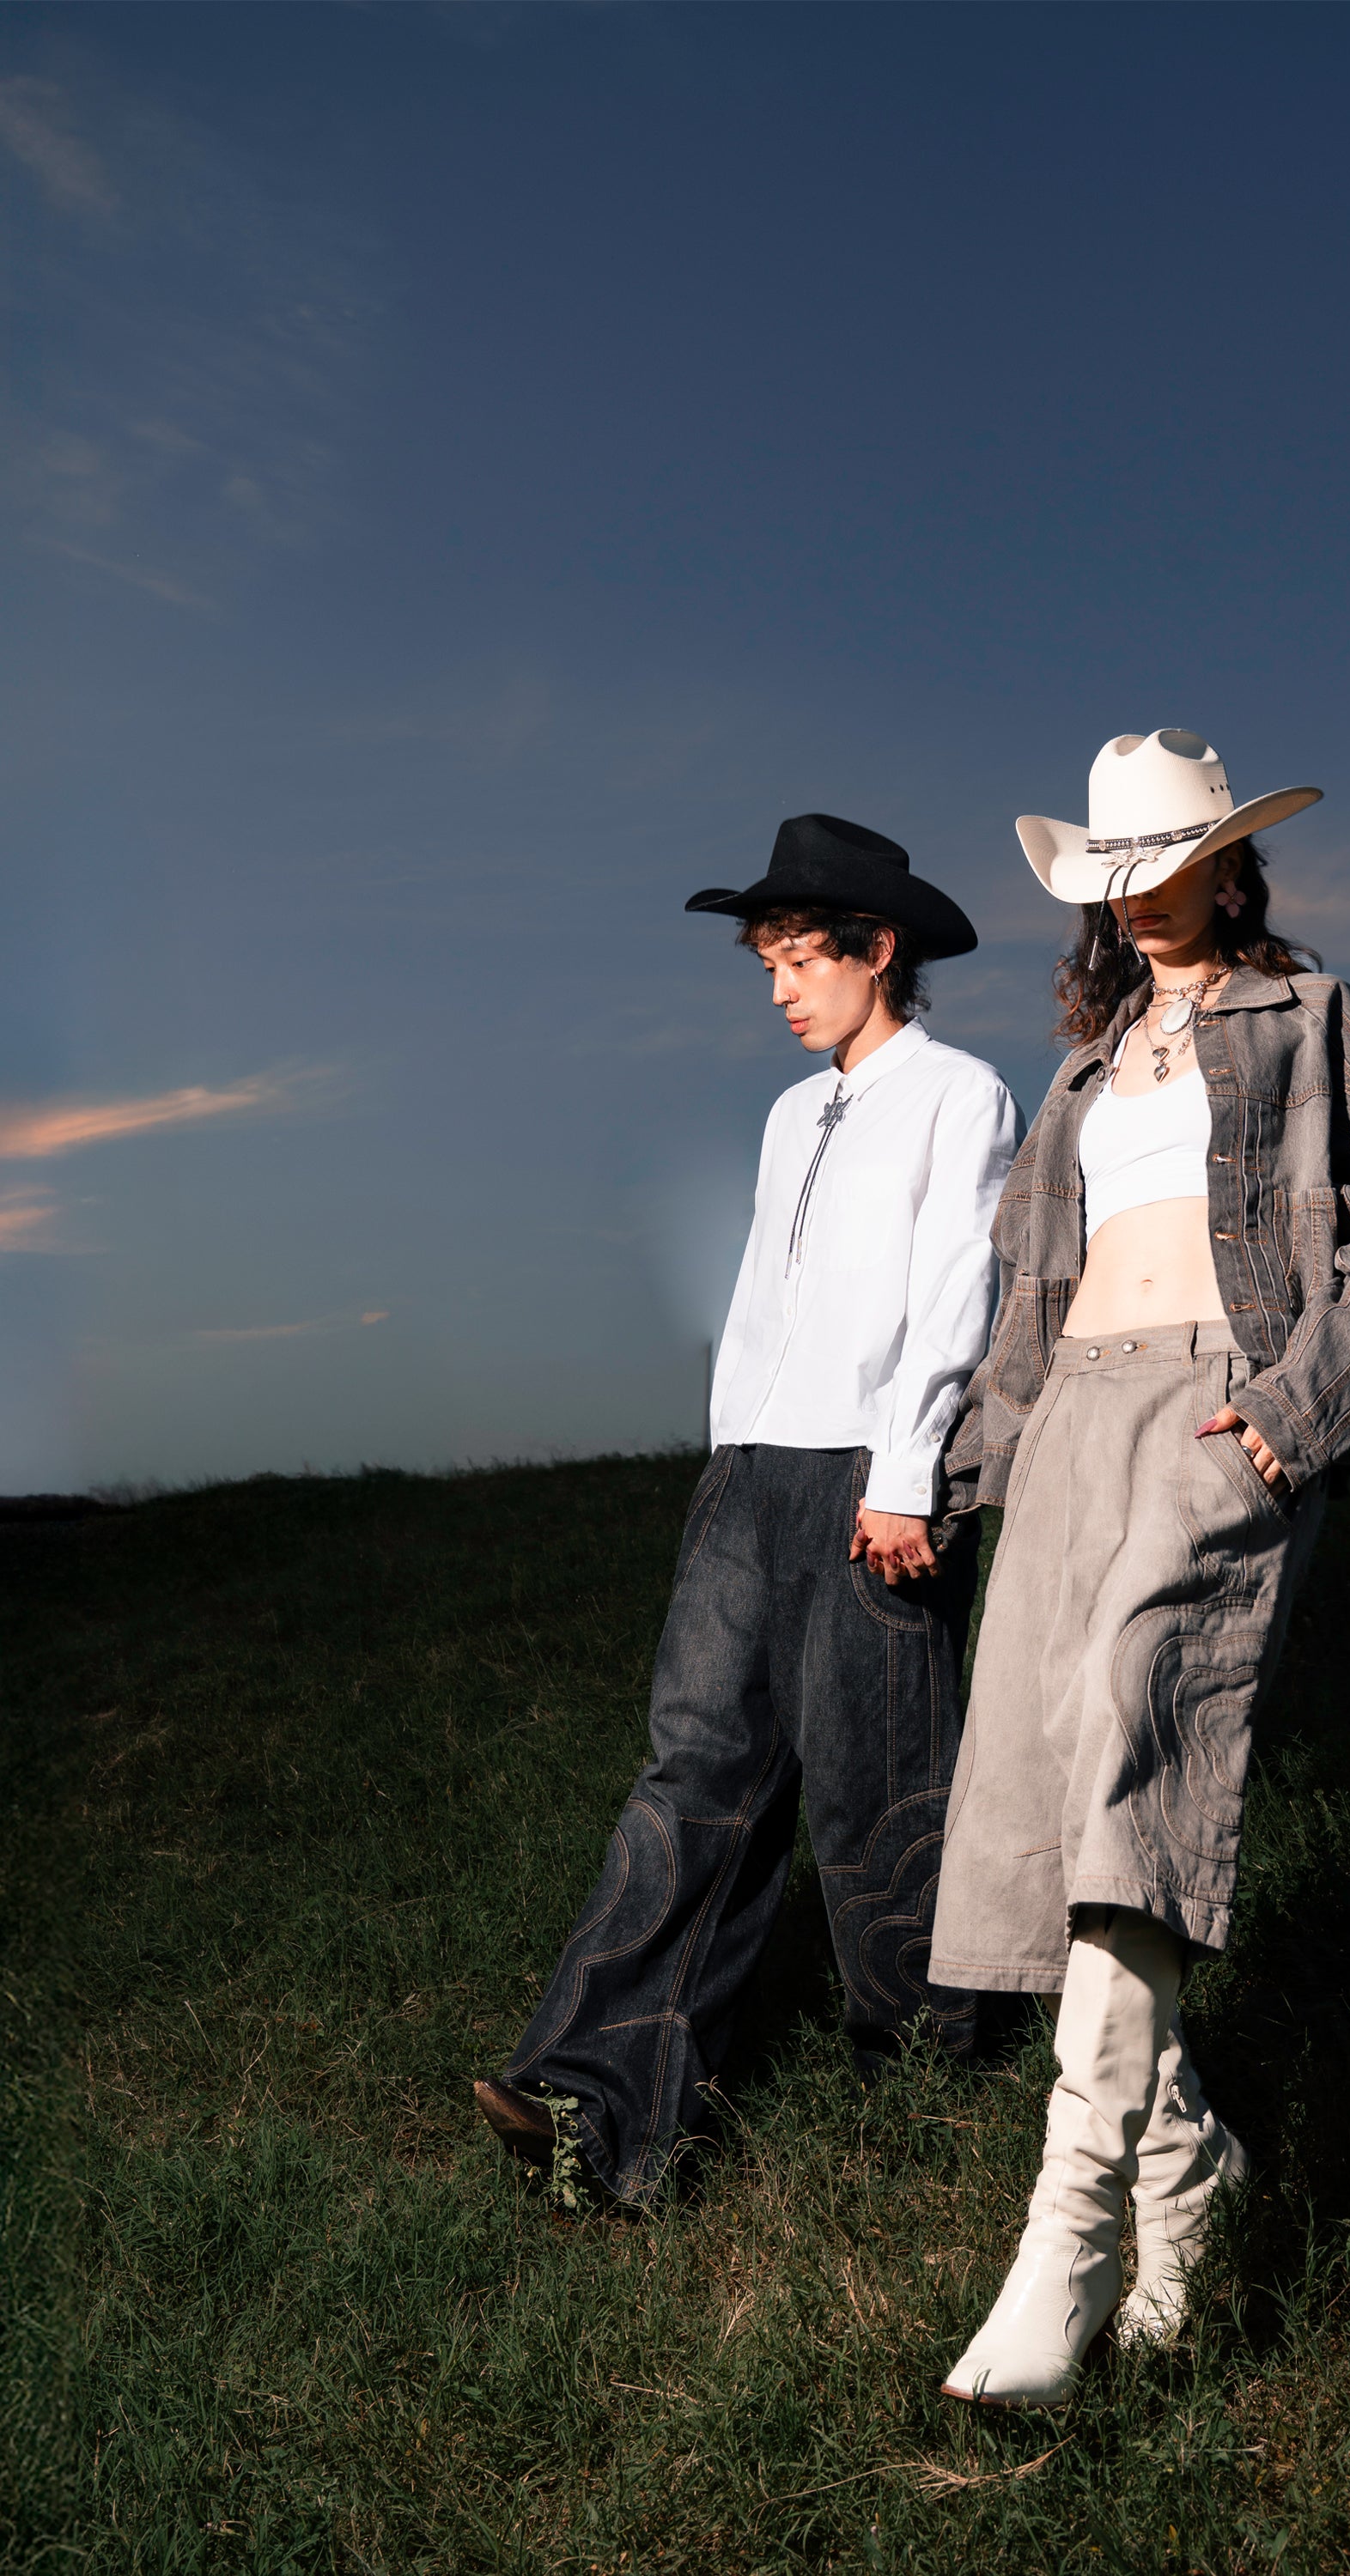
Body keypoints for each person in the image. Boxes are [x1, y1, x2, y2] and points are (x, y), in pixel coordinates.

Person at [929, 729, 1350, 2403]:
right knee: (1069, 1798)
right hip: (1077, 1425)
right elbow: (1027, 1299)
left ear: (1234, 867)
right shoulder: (1084, 1076)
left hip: (1222, 1416)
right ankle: (1186, 2178)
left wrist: (1289, 1422)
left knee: (1143, 1751)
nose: (1140, 897)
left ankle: (1066, 2224)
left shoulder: (1314, 1022)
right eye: (1114, 876)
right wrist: (970, 1479)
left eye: (1169, 864)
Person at [474, 811, 1020, 2212]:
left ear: (874, 950)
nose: (778, 988)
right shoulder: (791, 1115)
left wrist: (906, 1475)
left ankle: (946, 2079)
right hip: (750, 1474)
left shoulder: (960, 1094)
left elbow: (961, 1291)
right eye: (766, 963)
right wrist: (725, 1463)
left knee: (874, 1781)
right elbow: (762, 1310)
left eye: (797, 960)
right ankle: (597, 2098)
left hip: (864, 1473)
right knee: (694, 1770)